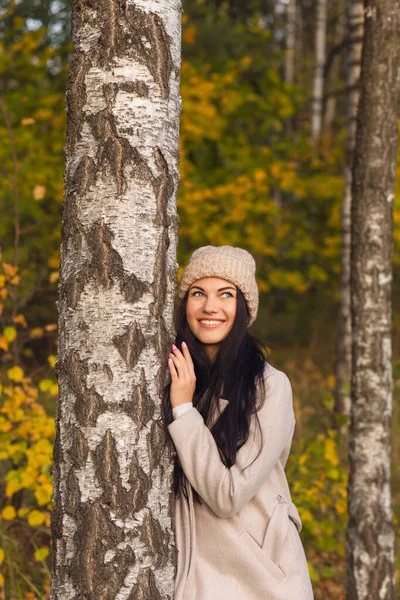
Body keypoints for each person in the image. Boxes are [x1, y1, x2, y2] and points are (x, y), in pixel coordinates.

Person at [163, 246, 314, 600]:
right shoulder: (175, 373)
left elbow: (228, 496)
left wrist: (184, 410)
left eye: (225, 294)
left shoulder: (270, 387)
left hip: (260, 580)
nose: (209, 307)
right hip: (192, 578)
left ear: (243, 308)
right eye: (198, 293)